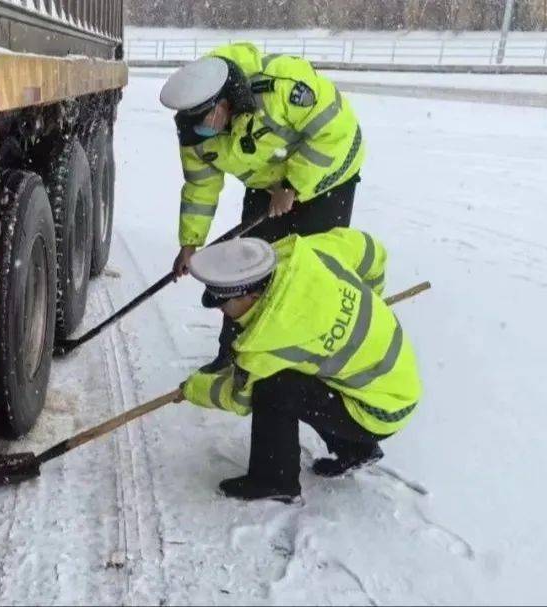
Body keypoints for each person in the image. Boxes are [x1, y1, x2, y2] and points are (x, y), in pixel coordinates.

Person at [175, 230, 422, 502]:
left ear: (253, 296)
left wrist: (191, 389)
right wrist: (368, 296)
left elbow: (239, 396)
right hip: (399, 379)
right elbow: (370, 249)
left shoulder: (266, 340)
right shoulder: (309, 255)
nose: (221, 310)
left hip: (380, 411)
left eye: (225, 303)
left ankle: (273, 480)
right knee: (304, 374)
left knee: (274, 388)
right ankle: (356, 449)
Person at [160, 43, 365, 369]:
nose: (201, 130)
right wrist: (190, 244)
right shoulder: (196, 132)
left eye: (206, 121)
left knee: (314, 264)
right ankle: (235, 357)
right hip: (268, 186)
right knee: (246, 270)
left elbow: (335, 133)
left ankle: (308, 358)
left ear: (224, 102)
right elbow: (201, 187)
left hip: (329, 178)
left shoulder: (281, 85)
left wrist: (294, 185)